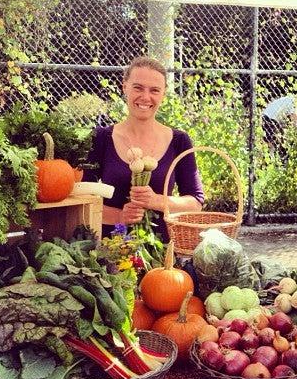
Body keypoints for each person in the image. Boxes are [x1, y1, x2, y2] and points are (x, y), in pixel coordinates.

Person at [82, 56, 205, 241]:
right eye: (138, 88)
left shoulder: (179, 141)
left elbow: (195, 203)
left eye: (154, 90)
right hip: (111, 250)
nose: (145, 97)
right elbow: (82, 201)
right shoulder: (100, 139)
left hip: (162, 252)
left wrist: (155, 201)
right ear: (125, 87)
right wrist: (120, 217)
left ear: (163, 94)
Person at [262, 94, 297, 161]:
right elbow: (294, 118)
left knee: (273, 141)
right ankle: (269, 161)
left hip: (268, 117)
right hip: (270, 118)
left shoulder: (287, 99)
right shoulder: (292, 101)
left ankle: (270, 159)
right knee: (270, 143)